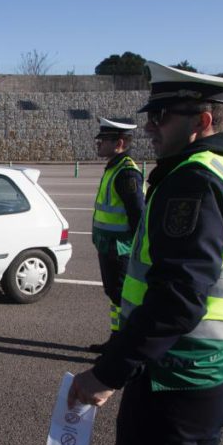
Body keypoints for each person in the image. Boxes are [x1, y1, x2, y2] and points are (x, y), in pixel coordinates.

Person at [68, 62, 223, 445]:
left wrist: (108, 373)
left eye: (161, 116)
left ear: (203, 120)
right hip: (214, 370)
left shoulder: (193, 180)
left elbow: (177, 296)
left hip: (174, 378)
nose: (148, 128)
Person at [89, 117, 145, 353]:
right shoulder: (114, 167)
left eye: (103, 140)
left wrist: (135, 250)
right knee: (114, 295)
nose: (98, 143)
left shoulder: (127, 174)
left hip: (121, 248)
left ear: (120, 142)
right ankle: (116, 340)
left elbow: (138, 216)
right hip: (109, 246)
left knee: (123, 296)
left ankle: (126, 347)